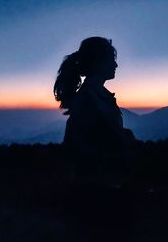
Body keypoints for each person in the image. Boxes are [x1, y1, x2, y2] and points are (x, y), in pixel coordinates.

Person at [54, 37, 135, 182]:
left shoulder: (97, 95)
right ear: (99, 63)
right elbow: (78, 148)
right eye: (112, 59)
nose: (116, 64)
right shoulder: (88, 98)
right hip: (95, 188)